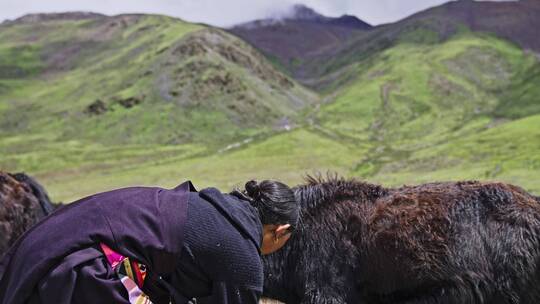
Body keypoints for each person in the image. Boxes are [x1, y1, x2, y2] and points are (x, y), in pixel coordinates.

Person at [0, 179, 299, 304]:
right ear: (281, 231)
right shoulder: (242, 257)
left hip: (51, 241)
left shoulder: (208, 206)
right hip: (80, 265)